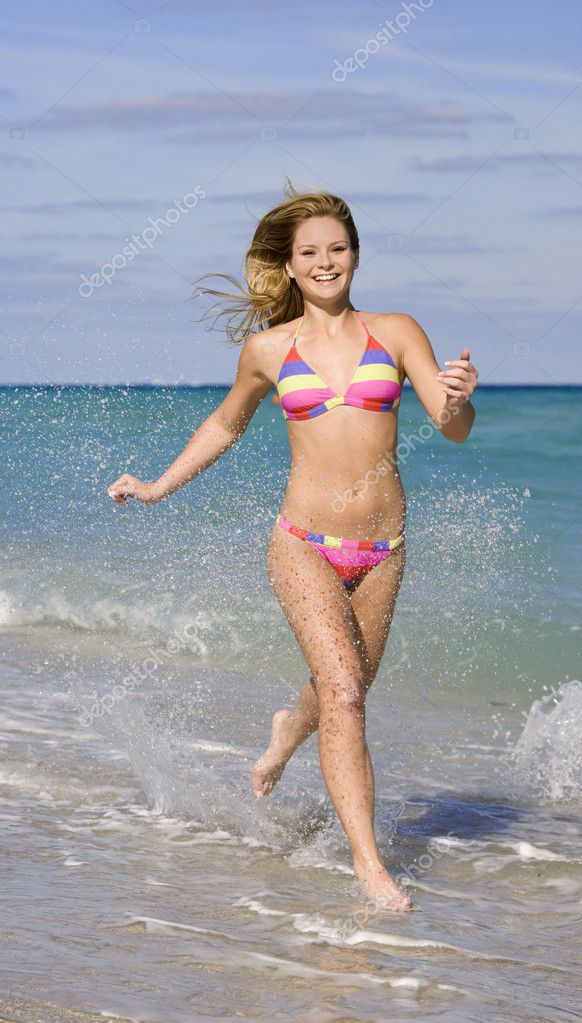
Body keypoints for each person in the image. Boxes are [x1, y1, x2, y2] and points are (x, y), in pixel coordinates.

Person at [107, 181, 478, 911]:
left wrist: (461, 398)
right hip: (301, 542)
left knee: (346, 686)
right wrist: (157, 486)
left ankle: (287, 729)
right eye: (310, 251)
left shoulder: (398, 331)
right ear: (291, 264)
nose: (326, 261)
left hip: (383, 549)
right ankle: (370, 866)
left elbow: (450, 424)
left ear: (357, 256)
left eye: (338, 248)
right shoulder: (269, 349)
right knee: (344, 689)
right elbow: (224, 424)